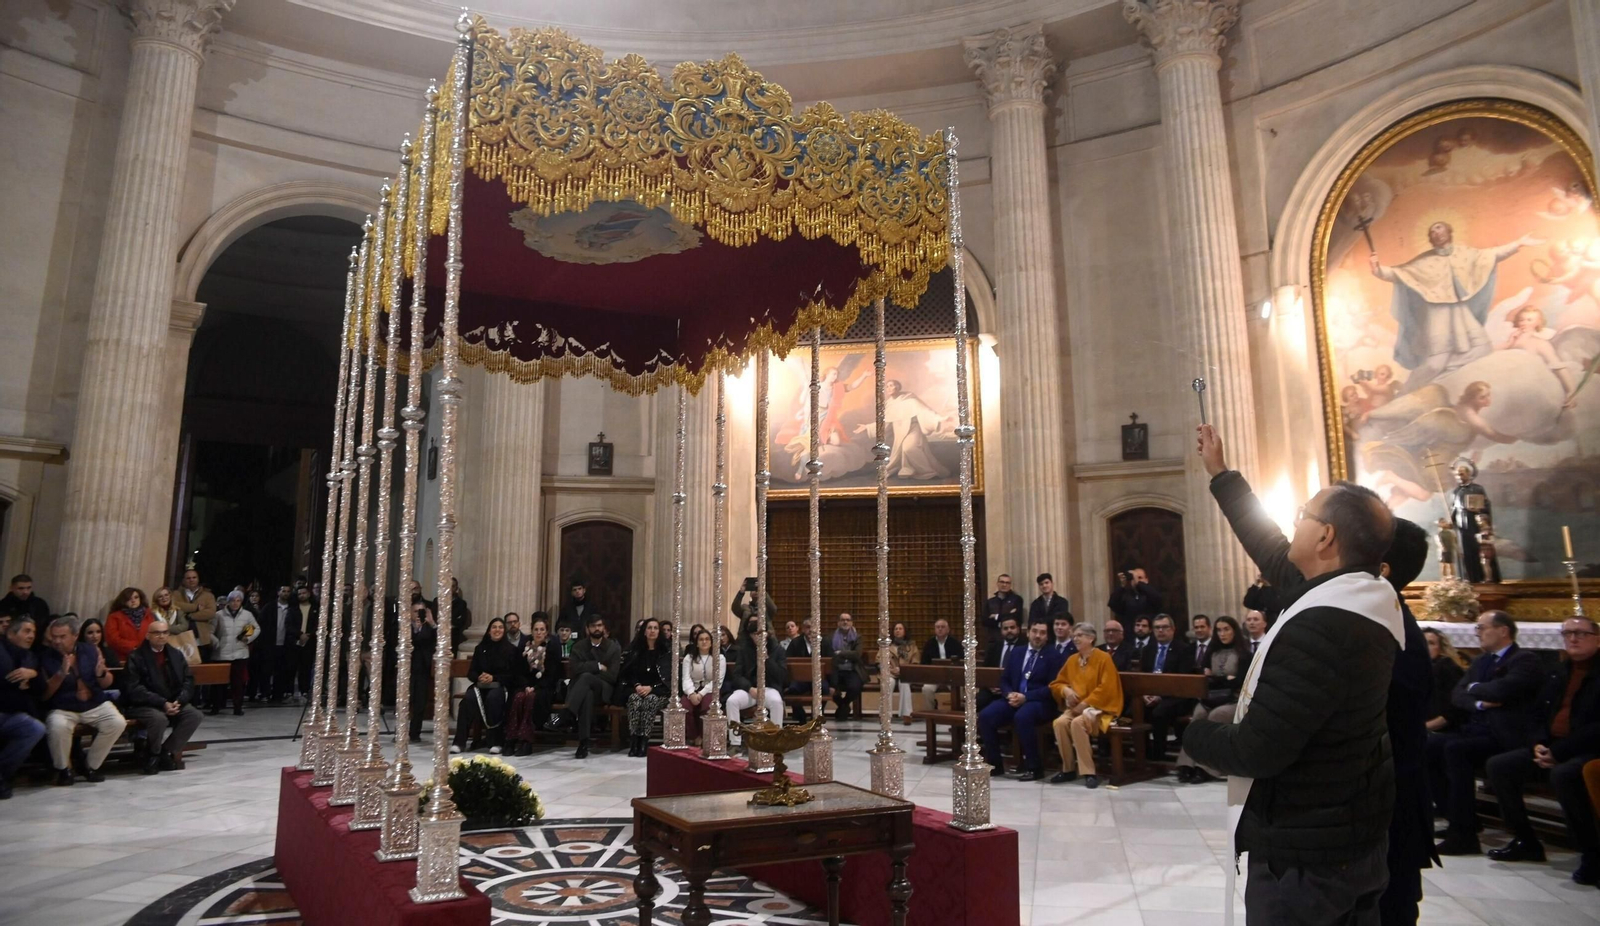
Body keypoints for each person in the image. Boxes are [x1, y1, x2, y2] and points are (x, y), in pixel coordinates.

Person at [1201, 424, 1438, 925]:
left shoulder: (1327, 623)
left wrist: (1198, 734)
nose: (1295, 522)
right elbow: (1268, 544)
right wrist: (1222, 475)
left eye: (1304, 514)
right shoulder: (1352, 594)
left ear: (1327, 536)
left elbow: (1258, 749)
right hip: (1345, 828)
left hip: (1314, 846)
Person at [1480, 617, 1599, 876]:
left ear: (1597, 638)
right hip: (1552, 748)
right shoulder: (1559, 671)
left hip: (1587, 750)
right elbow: (1536, 714)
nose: (1573, 639)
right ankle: (1526, 840)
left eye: (1580, 633)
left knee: (1565, 775)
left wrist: (1559, 752)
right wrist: (1539, 744)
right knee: (1500, 766)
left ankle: (1591, 853)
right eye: (1567, 633)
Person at [1430, 610, 1547, 855]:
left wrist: (1476, 689)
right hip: (1478, 729)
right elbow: (1458, 695)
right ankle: (1458, 818)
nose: (1478, 633)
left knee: (1456, 750)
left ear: (1503, 630)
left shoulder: (1525, 660)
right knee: (1428, 745)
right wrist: (1479, 701)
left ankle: (1464, 834)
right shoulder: (1482, 661)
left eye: (1482, 628)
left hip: (1505, 735)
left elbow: (1502, 690)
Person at [1368, 222, 1539, 389]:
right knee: (1436, 363)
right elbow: (1398, 273)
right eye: (1433, 231)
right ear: (1430, 239)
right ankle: (1408, 391)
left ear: (1449, 233)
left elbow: (1492, 255)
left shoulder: (1464, 254)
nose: (1437, 233)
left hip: (1459, 311)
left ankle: (1448, 372)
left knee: (1482, 348)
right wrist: (1377, 268)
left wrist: (1519, 243)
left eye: (1440, 228)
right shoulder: (1424, 261)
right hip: (1438, 313)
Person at [39, 616, 127, 784]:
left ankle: (90, 765)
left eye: (62, 636)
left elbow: (106, 682)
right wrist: (61, 674)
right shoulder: (46, 657)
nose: (57, 641)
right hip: (64, 707)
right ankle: (64, 769)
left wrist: (102, 673)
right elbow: (44, 695)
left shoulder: (91, 650)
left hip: (94, 703)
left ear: (75, 635)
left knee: (117, 722)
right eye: (54, 636)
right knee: (57, 725)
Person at [977, 620, 1063, 781]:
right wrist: (1009, 694)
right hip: (1014, 698)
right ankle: (995, 764)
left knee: (1023, 717)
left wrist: (1026, 697)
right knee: (986, 716)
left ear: (1047, 636)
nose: (1038, 636)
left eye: (1042, 633)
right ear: (1028, 632)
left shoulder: (1054, 656)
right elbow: (1005, 679)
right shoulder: (1017, 652)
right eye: (1035, 631)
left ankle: (1034, 767)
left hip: (1039, 702)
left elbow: (1052, 687)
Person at [121, 619, 203, 774]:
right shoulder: (136, 657)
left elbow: (188, 680)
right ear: (148, 635)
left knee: (194, 715)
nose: (161, 636)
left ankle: (164, 751)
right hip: (143, 704)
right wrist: (162, 702)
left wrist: (180, 700)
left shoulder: (175, 654)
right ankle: (153, 753)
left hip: (172, 701)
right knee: (159, 719)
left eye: (165, 632)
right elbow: (134, 688)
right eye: (157, 633)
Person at [1176, 615, 1251, 783]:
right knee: (1198, 716)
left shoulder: (1243, 653)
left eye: (1226, 629)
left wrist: (1218, 679)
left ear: (1234, 631)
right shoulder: (1212, 651)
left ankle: (1206, 768)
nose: (1222, 633)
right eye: (1219, 630)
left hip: (1234, 700)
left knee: (1216, 717)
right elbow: (1204, 679)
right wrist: (1225, 679)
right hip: (1211, 698)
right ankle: (1187, 764)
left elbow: (1240, 681)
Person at [1048, 622, 1122, 789]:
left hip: (1100, 708)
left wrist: (1085, 703)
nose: (1075, 638)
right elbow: (1057, 683)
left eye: (1080, 635)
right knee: (1059, 723)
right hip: (1075, 708)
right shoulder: (1072, 660)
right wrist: (1066, 691)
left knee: (1077, 723)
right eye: (1074, 636)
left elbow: (1106, 687)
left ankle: (1089, 772)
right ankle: (1068, 769)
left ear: (1091, 638)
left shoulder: (1104, 658)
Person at [546, 614, 621, 758]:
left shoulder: (613, 647)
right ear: (587, 629)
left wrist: (587, 670)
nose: (597, 628)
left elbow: (612, 675)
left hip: (604, 689)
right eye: (593, 626)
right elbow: (574, 669)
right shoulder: (579, 646)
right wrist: (597, 666)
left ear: (604, 628)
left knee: (586, 677)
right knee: (587, 694)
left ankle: (567, 714)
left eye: (599, 625)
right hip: (582, 690)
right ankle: (583, 744)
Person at [452, 616, 521, 755]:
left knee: (493, 699)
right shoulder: (480, 648)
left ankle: (495, 741)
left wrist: (493, 678)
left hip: (501, 686)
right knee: (467, 701)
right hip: (481, 687)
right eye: (494, 627)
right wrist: (479, 677)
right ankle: (459, 743)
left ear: (504, 631)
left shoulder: (511, 650)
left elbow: (513, 675)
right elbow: (471, 672)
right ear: (489, 631)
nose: (497, 630)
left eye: (500, 627)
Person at [1139, 614, 1198, 761]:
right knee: (1134, 709)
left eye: (1164, 627)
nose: (1160, 631)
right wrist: (1145, 694)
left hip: (1177, 696)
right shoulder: (1148, 650)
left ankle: (1158, 754)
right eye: (1157, 628)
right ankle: (1143, 753)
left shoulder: (1184, 649)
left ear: (1172, 629)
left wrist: (1160, 697)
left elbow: (1182, 680)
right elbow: (1143, 675)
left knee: (1159, 712)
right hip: (1151, 694)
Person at [0, 616, 45, 799]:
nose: (31, 636)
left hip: (12, 713)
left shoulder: (29, 655)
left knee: (35, 728)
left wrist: (32, 674)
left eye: (33, 632)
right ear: (11, 633)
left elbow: (41, 686)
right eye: (27, 631)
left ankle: (3, 772)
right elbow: (6, 680)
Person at [505, 615, 560, 756]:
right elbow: (518, 672)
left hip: (544, 688)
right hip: (525, 686)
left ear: (546, 632)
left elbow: (552, 675)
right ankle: (511, 739)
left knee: (531, 699)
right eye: (536, 629)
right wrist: (526, 686)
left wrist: (535, 687)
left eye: (542, 629)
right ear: (532, 631)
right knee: (518, 697)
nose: (539, 632)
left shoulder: (551, 649)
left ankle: (526, 741)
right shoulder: (524, 648)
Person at [725, 608, 787, 727]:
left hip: (769, 688)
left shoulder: (777, 649)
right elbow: (737, 675)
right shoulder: (744, 650)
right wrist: (749, 688)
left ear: (767, 634)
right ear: (750, 635)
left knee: (776, 702)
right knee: (732, 701)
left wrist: (767, 659)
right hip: (750, 690)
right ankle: (735, 742)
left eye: (761, 634)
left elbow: (781, 677)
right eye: (755, 634)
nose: (758, 637)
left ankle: (774, 738)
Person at [620, 617, 672, 757]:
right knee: (635, 700)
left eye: (655, 628)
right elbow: (629, 673)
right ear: (644, 631)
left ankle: (644, 741)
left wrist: (651, 688)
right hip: (637, 690)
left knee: (650, 701)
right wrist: (637, 686)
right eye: (649, 628)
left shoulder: (666, 652)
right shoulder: (635, 651)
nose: (652, 631)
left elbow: (668, 678)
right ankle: (634, 740)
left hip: (659, 692)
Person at [209, 590, 260, 715]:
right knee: (218, 684)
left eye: (238, 601)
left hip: (240, 653)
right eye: (233, 600)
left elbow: (256, 628)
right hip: (221, 654)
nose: (235, 603)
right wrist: (216, 643)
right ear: (228, 601)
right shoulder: (218, 615)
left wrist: (247, 638)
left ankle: (238, 707)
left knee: (238, 683)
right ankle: (216, 706)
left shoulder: (247, 615)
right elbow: (210, 631)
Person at [405, 592, 438, 740]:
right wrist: (416, 631)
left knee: (420, 701)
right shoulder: (405, 628)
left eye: (421, 611)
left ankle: (415, 732)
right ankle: (401, 731)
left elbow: (440, 640)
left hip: (422, 668)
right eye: (415, 611)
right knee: (405, 701)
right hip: (407, 668)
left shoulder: (429, 628)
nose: (418, 614)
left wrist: (432, 623)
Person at [1423, 629, 1468, 733]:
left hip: (1442, 727)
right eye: (1423, 642)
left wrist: (1423, 728)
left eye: (1431, 643)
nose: (1425, 647)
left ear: (1440, 648)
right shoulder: (1414, 668)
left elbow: (1454, 710)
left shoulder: (1447, 668)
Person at [174, 569, 218, 661]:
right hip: (181, 637)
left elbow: (210, 613)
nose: (191, 580)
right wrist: (196, 607)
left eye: (194, 577)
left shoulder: (208, 595)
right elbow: (175, 606)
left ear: (198, 579)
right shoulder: (176, 594)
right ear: (184, 580)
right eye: (188, 578)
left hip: (201, 638)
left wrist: (190, 616)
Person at [979, 616, 1022, 710]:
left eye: (1012, 627)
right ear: (1001, 631)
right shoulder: (994, 647)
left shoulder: (1024, 646)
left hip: (1015, 690)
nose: (1009, 630)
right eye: (1005, 628)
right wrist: (990, 686)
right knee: (978, 701)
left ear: (1018, 629)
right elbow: (985, 670)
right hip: (993, 687)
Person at [919, 619, 962, 710]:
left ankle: (957, 712)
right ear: (934, 630)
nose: (940, 629)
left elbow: (961, 660)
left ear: (948, 630)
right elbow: (924, 662)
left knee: (959, 689)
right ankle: (930, 714)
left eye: (942, 627)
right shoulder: (929, 644)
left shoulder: (955, 643)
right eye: (937, 627)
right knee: (926, 689)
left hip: (952, 676)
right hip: (934, 676)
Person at [828, 613, 864, 720]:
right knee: (827, 687)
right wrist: (848, 653)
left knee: (855, 687)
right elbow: (830, 654)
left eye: (848, 620)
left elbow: (857, 654)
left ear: (851, 622)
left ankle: (844, 705)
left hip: (852, 669)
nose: (845, 622)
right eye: (842, 620)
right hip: (835, 669)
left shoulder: (857, 637)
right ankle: (843, 706)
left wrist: (840, 653)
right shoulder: (830, 637)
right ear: (838, 622)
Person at [269, 585, 300, 702]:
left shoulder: (293, 609)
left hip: (287, 645)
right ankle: (267, 693)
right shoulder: (270, 607)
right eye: (283, 591)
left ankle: (281, 694)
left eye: (288, 591)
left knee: (284, 670)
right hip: (272, 643)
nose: (286, 593)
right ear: (278, 592)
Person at [104, 587, 152, 662]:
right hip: (123, 658)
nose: (133, 600)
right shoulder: (114, 617)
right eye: (129, 598)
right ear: (123, 601)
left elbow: (154, 633)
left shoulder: (149, 615)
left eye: (136, 597)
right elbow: (112, 639)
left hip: (146, 657)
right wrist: (134, 647)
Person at [885, 622, 916, 725]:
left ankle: (907, 714)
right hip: (890, 673)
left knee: (904, 684)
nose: (897, 630)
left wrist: (902, 669)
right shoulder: (886, 645)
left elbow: (915, 662)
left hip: (906, 674)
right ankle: (885, 715)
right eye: (895, 629)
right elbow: (879, 660)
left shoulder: (911, 646)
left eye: (900, 629)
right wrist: (890, 669)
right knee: (888, 683)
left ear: (904, 631)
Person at [983, 575, 1024, 645]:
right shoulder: (990, 602)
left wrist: (996, 617)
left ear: (1010, 585)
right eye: (1002, 582)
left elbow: (1017, 618)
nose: (1004, 585)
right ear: (997, 583)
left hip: (1012, 640)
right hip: (994, 640)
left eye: (1007, 583)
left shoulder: (1017, 599)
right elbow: (985, 621)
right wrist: (1008, 615)